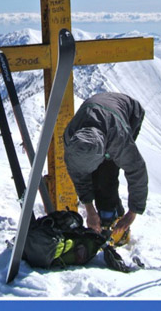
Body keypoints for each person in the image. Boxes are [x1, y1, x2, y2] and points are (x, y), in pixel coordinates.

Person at [63, 93, 148, 243]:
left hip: (129, 113)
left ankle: (115, 223)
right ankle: (104, 219)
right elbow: (79, 177)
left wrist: (133, 212)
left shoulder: (118, 140)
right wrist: (89, 210)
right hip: (101, 111)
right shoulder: (71, 141)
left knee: (106, 175)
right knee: (97, 178)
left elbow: (137, 171)